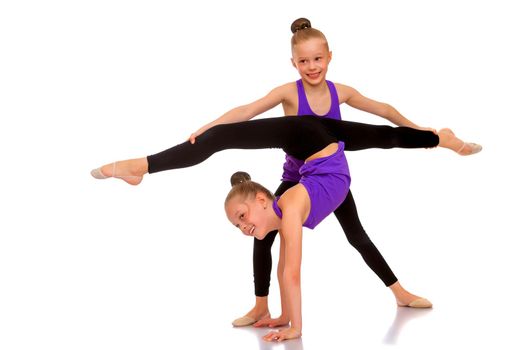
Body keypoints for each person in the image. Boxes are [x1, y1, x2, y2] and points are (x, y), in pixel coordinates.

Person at [184, 18, 482, 327]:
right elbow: (246, 112)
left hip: (328, 178)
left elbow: (384, 110)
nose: (311, 67)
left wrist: (418, 129)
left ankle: (400, 293)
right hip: (296, 179)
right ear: (293, 63)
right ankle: (261, 306)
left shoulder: (340, 92)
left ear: (329, 57)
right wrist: (209, 130)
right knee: (264, 236)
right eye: (303, 61)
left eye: (317, 59)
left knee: (357, 234)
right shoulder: (288, 93)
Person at [91, 115, 458, 341]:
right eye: (237, 224)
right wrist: (285, 317)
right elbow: (287, 266)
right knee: (283, 237)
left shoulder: (292, 201)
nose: (242, 226)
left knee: (220, 139)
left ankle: (138, 165)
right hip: (312, 166)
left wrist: (297, 328)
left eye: (241, 216)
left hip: (313, 142)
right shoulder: (284, 203)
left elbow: (293, 271)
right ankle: (266, 308)